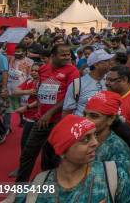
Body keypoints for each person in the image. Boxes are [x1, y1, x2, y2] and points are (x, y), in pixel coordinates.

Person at [13, 114, 130, 202]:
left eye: (94, 135)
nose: (95, 143)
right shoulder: (39, 185)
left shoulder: (113, 176)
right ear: (62, 152)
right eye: (85, 139)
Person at [16, 43, 79, 182]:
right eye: (63, 54)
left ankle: (49, 186)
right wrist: (35, 108)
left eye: (68, 54)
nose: (67, 57)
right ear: (53, 56)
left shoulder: (72, 71)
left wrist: (49, 113)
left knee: (52, 157)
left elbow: (70, 97)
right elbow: (42, 93)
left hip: (58, 121)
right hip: (41, 119)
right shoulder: (43, 69)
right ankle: (18, 189)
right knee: (28, 154)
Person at [83, 90, 130, 176]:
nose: (86, 120)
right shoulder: (79, 140)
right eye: (84, 114)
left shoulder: (118, 149)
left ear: (110, 119)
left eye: (94, 116)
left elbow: (121, 185)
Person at [8, 63, 40, 177]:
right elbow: (15, 91)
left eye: (37, 71)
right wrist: (28, 91)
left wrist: (27, 107)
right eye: (33, 70)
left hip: (38, 118)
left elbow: (41, 101)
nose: (34, 72)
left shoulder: (44, 83)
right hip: (28, 117)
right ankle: (23, 167)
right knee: (25, 144)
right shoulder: (29, 81)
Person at [62, 49, 114, 116]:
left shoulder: (111, 81)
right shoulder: (77, 84)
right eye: (106, 61)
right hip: (83, 124)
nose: (111, 63)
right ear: (96, 65)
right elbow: (67, 111)